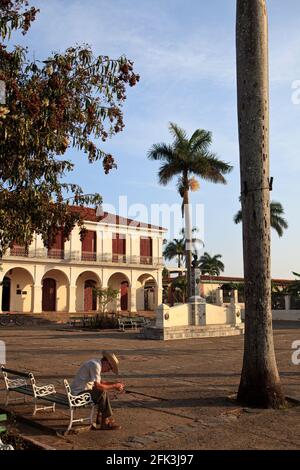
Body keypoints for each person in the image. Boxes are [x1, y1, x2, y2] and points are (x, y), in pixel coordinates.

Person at [71, 350, 125, 430]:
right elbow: (98, 386)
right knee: (102, 392)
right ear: (106, 362)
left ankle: (101, 418)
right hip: (78, 394)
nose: (108, 371)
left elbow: (100, 382)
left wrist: (115, 383)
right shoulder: (96, 365)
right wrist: (114, 386)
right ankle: (105, 421)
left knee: (102, 392)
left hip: (81, 392)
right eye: (110, 368)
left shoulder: (96, 363)